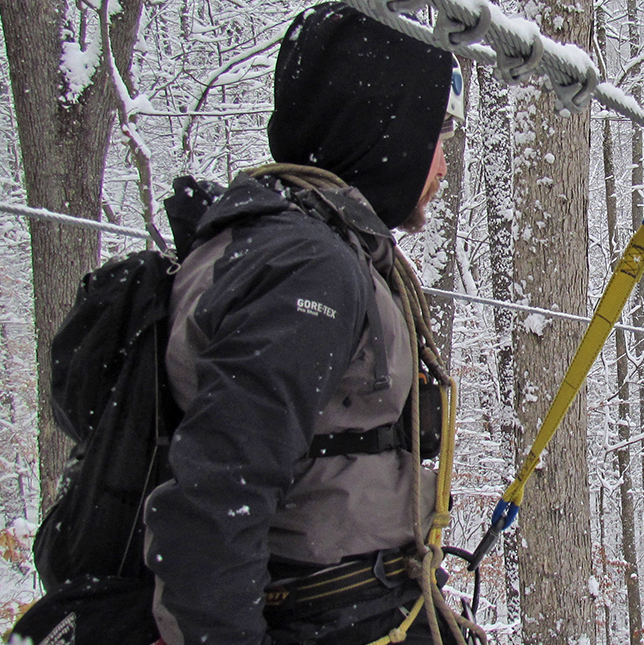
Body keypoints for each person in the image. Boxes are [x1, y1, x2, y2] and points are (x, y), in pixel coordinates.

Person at [142, 4, 465, 643]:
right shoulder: (309, 268)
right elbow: (215, 503)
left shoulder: (305, 247)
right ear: (385, 128)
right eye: (438, 134)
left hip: (350, 604)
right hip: (320, 614)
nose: (443, 165)